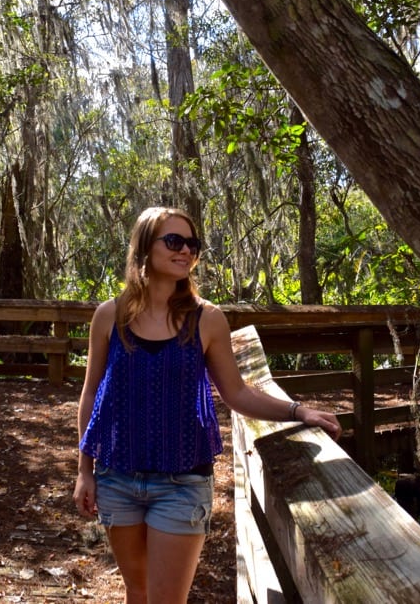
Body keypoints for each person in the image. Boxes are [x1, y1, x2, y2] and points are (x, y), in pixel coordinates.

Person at [73, 206, 342, 603]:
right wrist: (84, 470)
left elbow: (236, 393)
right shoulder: (109, 316)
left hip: (182, 483)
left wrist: (297, 410)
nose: (185, 251)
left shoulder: (208, 319)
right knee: (137, 592)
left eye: (192, 244)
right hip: (117, 477)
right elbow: (92, 394)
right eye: (174, 241)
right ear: (145, 246)